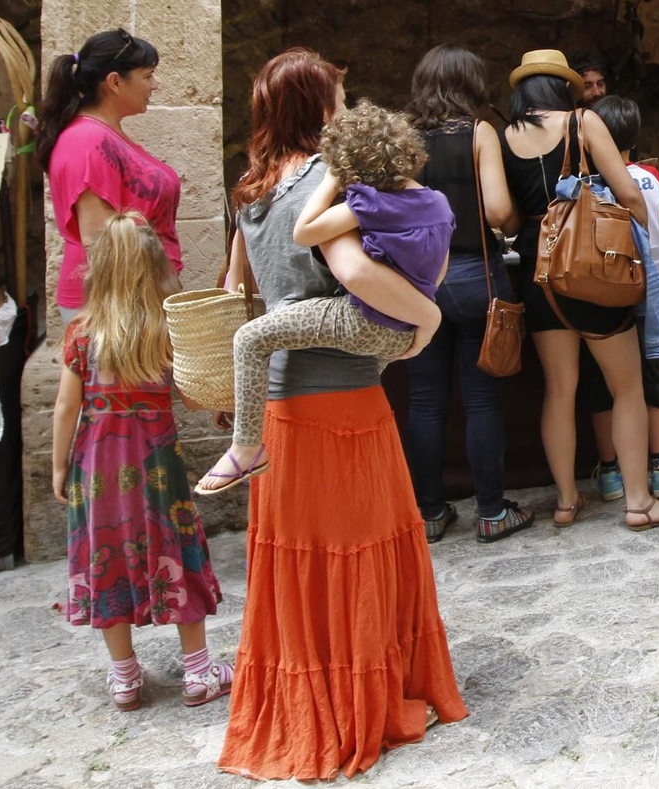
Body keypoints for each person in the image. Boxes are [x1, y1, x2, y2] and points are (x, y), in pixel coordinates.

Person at [216, 49, 464, 781]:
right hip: (346, 397)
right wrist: (425, 318)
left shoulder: (250, 190)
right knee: (359, 552)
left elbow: (237, 283)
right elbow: (358, 273)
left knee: (298, 565)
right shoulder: (329, 182)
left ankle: (304, 698)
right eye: (341, 92)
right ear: (319, 103)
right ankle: (356, 704)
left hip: (280, 403)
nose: (348, 103)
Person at [197, 102, 451, 495]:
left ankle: (246, 448)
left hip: (362, 321)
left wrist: (332, 180)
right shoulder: (438, 203)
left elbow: (305, 231)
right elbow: (436, 274)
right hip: (398, 333)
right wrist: (422, 317)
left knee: (250, 338)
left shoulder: (367, 204)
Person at [500, 49, 659, 531]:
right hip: (591, 268)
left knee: (559, 391)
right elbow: (628, 193)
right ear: (563, 86)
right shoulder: (582, 122)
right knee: (625, 387)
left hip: (536, 272)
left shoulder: (504, 137)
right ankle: (639, 503)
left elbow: (500, 213)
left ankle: (566, 502)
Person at [50, 212, 228, 712]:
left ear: (98, 269)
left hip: (96, 465)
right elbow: (194, 391)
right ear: (155, 266)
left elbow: (67, 406)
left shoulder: (82, 334)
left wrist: (59, 466)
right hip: (156, 465)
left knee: (104, 556)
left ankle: (125, 679)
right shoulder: (167, 327)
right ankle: (198, 673)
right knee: (173, 549)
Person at [405, 45, 532, 544]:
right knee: (481, 401)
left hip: (417, 284)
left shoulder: (404, 138)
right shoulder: (478, 132)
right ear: (470, 84)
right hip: (473, 277)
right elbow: (499, 211)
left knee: (425, 402)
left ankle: (430, 513)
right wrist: (519, 221)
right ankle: (491, 511)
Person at [35, 29, 180, 324]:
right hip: (112, 306)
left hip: (132, 299)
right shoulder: (85, 141)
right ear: (115, 82)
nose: (154, 84)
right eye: (148, 75)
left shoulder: (102, 135)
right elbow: (99, 241)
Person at [582, 94, 659, 502]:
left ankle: (610, 471)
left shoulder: (590, 183)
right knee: (648, 377)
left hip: (603, 292)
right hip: (649, 286)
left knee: (599, 379)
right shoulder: (651, 177)